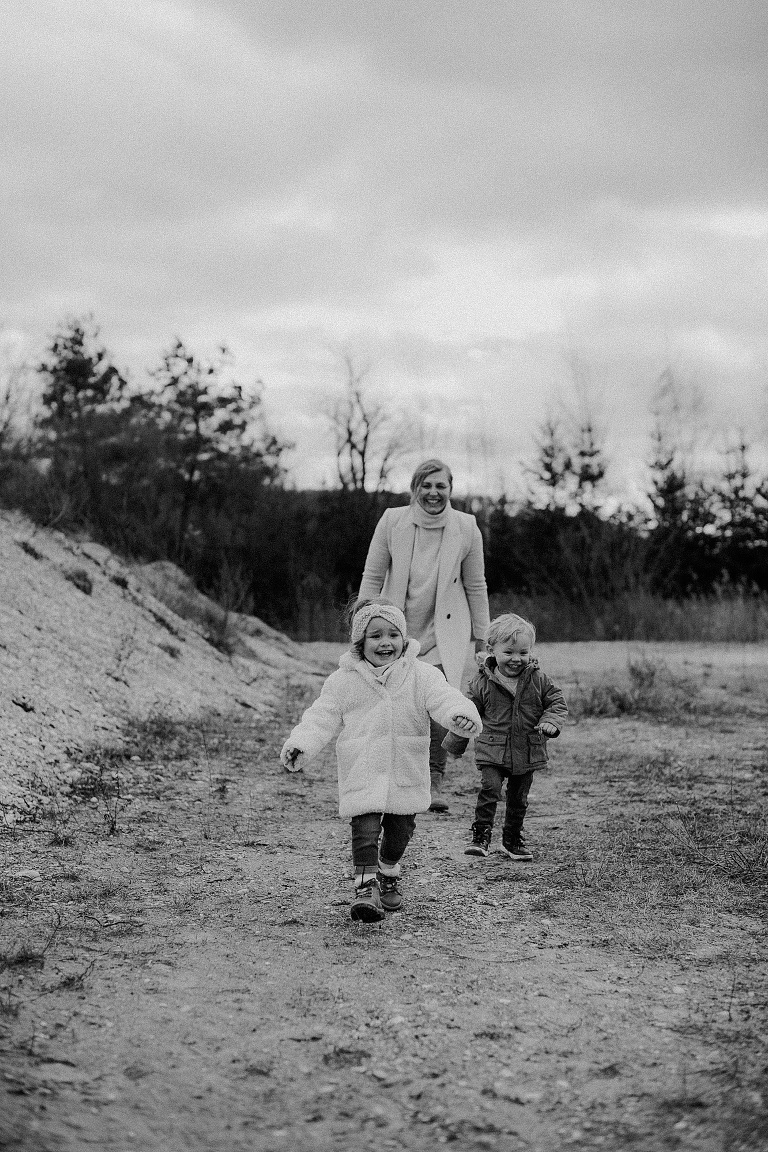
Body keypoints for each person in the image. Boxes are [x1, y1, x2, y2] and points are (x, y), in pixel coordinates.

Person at [279, 599, 481, 923]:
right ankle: (364, 889)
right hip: (364, 766)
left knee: (400, 832)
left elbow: (444, 697)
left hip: (406, 766)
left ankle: (388, 871)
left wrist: (460, 715)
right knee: (365, 829)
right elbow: (321, 716)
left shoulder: (421, 674)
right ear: (360, 642)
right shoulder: (344, 680)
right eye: (375, 636)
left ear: (403, 639)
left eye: (392, 635)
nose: (385, 642)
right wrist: (301, 744)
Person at [357, 459, 490, 812]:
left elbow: (476, 585)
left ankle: (433, 782)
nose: (433, 493)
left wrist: (483, 634)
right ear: (415, 488)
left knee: (437, 705)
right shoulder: (392, 520)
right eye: (426, 486)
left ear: (450, 488)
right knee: (396, 706)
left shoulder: (467, 527)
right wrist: (362, 622)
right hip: (396, 628)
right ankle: (388, 780)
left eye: (440, 486)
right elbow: (372, 576)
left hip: (445, 630)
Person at [443, 613, 568, 861]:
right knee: (490, 788)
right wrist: (456, 745)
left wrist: (550, 722)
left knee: (518, 797)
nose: (516, 659)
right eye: (509, 652)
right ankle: (480, 836)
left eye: (523, 652)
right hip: (493, 749)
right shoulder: (481, 682)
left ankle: (512, 839)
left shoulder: (539, 680)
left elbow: (556, 703)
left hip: (527, 749)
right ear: (492, 650)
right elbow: (468, 714)